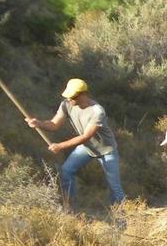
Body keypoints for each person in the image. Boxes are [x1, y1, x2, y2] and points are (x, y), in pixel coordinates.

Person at [26, 78, 124, 209]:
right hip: (87, 148)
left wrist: (60, 146)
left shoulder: (97, 111)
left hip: (106, 150)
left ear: (82, 94)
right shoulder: (66, 105)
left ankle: (121, 218)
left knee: (114, 187)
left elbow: (86, 137)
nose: (69, 99)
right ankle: (69, 206)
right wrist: (39, 123)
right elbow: (54, 125)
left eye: (72, 97)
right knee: (66, 171)